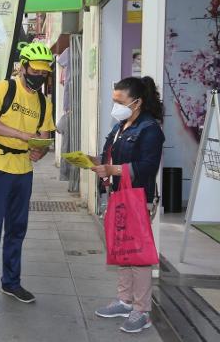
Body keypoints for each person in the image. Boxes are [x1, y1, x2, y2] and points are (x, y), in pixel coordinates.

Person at [0, 42, 55, 310]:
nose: (39, 76)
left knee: (17, 229)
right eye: (36, 70)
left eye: (44, 73)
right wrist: (20, 135)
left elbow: (44, 138)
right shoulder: (4, 88)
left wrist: (40, 152)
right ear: (23, 66)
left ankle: (11, 282)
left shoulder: (44, 102)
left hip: (23, 171)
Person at [91, 76, 164, 334]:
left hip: (137, 198)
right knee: (123, 250)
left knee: (138, 255)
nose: (116, 106)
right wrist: (97, 164)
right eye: (114, 101)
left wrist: (114, 169)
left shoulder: (150, 129)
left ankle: (142, 311)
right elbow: (107, 153)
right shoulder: (121, 126)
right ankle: (124, 301)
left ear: (137, 102)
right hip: (119, 195)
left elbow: (147, 167)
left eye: (120, 101)